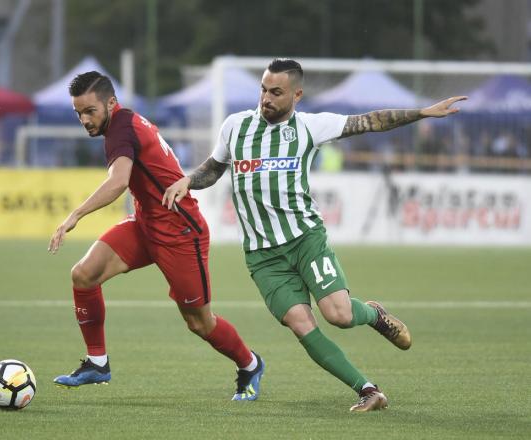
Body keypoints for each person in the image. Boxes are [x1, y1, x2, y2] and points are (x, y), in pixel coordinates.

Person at [163, 58, 467, 412]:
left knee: (338, 315)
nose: (266, 98)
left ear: (297, 95)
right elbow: (214, 168)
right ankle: (368, 390)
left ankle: (373, 314)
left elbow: (368, 122)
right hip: (263, 255)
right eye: (263, 89)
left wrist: (421, 113)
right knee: (300, 323)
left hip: (305, 238)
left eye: (276, 92)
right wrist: (188, 180)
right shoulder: (235, 127)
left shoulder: (311, 127)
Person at [47, 71, 265, 401]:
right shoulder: (123, 123)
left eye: (90, 111)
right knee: (84, 274)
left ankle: (249, 365)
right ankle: (97, 362)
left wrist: (75, 214)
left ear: (110, 103)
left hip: (180, 232)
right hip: (147, 225)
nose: (84, 119)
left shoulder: (120, 127)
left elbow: (119, 181)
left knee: (199, 323)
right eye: (78, 113)